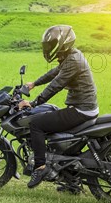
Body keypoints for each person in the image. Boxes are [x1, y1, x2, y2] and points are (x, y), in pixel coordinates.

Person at [17, 25, 99, 189]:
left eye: (52, 45)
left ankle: (40, 167)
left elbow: (55, 85)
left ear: (63, 43)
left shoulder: (73, 61)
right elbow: (55, 72)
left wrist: (32, 103)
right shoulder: (72, 56)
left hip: (81, 111)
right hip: (84, 108)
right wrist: (34, 83)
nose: (49, 48)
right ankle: (72, 181)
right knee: (52, 114)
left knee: (37, 124)